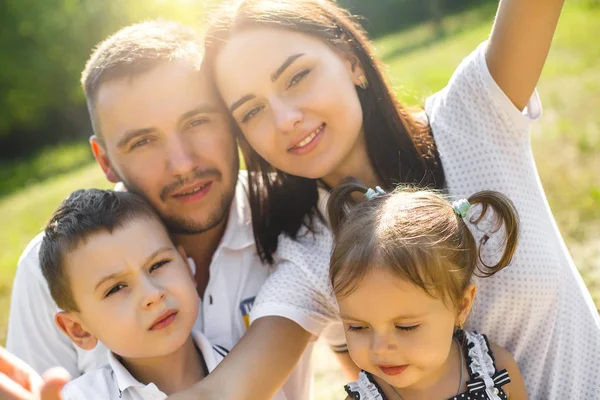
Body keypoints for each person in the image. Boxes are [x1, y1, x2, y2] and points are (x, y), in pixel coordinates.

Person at [196, 0, 600, 398]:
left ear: (351, 60)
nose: (285, 120)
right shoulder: (311, 253)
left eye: (297, 76)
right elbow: (226, 391)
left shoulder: (472, 114)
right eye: (251, 112)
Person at [4, 20, 343, 400]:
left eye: (197, 121)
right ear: (105, 160)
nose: (182, 164)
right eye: (143, 141)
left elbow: (366, 362)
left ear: (230, 120)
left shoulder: (299, 223)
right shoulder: (48, 269)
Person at [326, 180, 527, 399]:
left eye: (406, 327)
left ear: (461, 305)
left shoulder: (494, 371)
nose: (380, 348)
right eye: (357, 327)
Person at [39, 189, 228, 399]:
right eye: (116, 288)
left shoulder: (260, 371)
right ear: (78, 329)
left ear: (186, 265)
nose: (153, 295)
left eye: (158, 264)